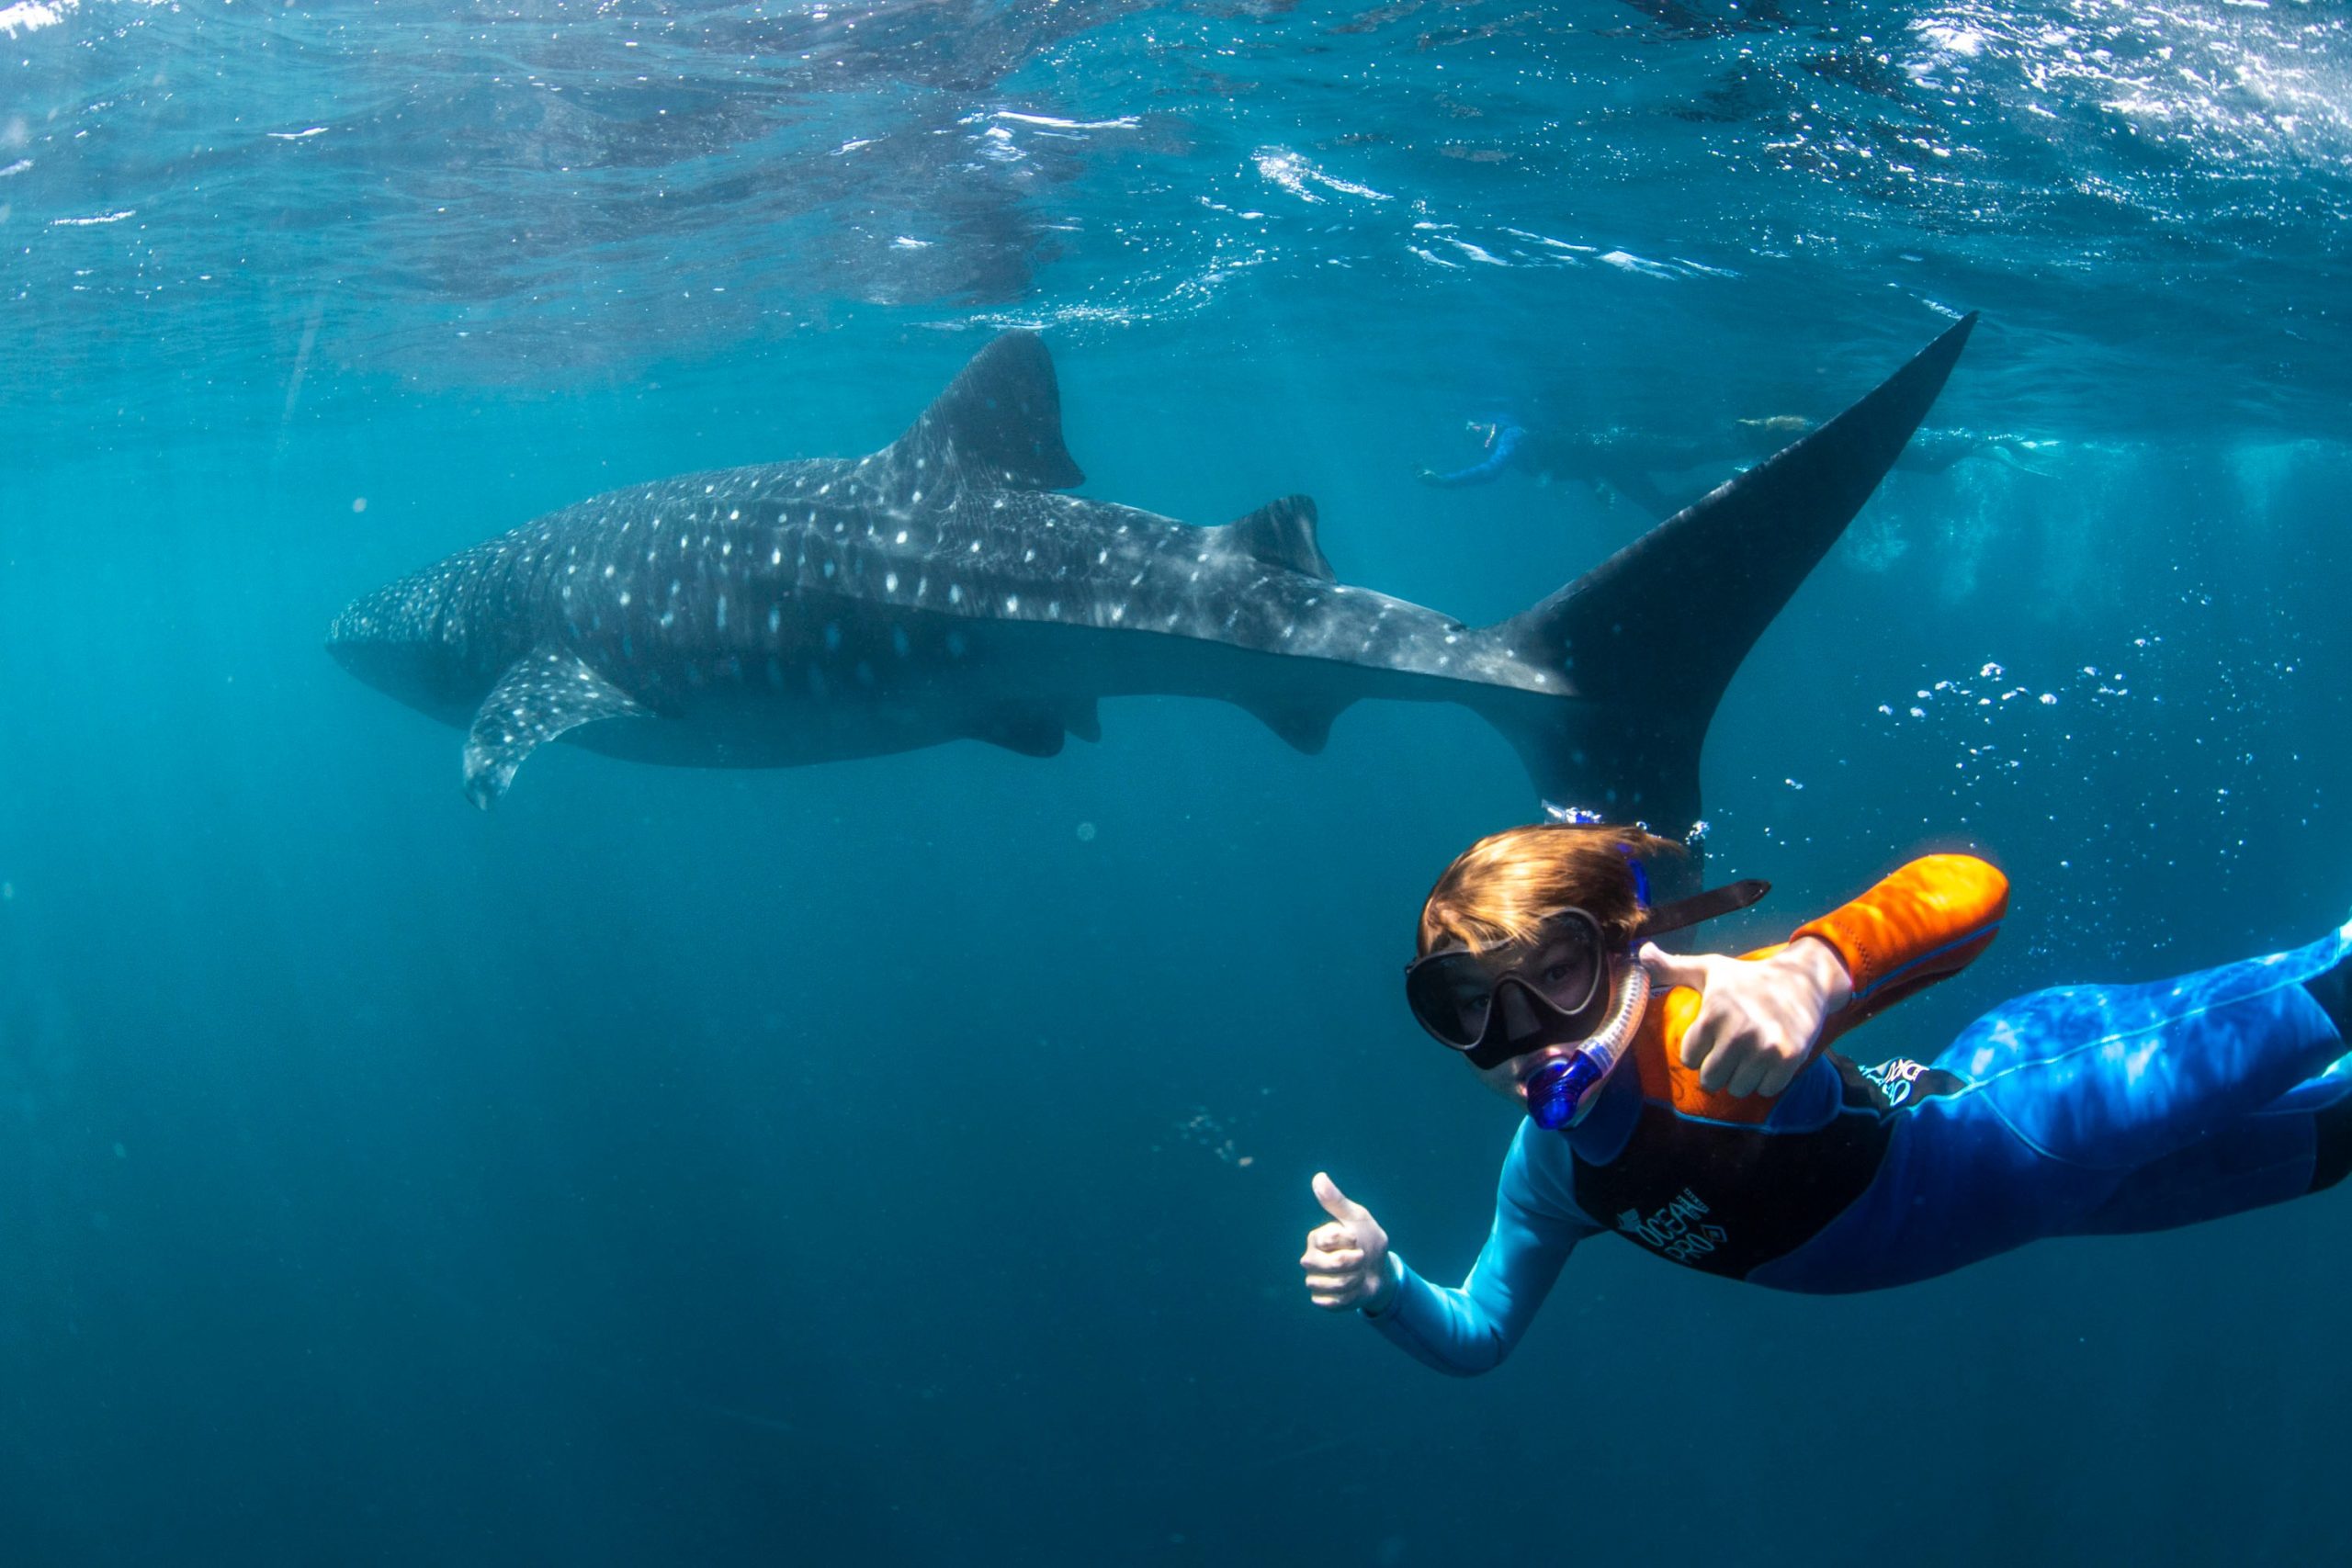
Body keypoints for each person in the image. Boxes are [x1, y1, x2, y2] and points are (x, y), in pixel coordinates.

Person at [1299, 823, 2352, 1374]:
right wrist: (1389, 1284)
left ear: (1630, 952)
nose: (1519, 1036)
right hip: (2066, 1203)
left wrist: (1812, 972)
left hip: (2040, 1103)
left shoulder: (1713, 1024)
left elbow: (1967, 888)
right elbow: (1480, 1332)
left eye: (1556, 977)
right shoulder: (1548, 1180)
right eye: (1469, 1007)